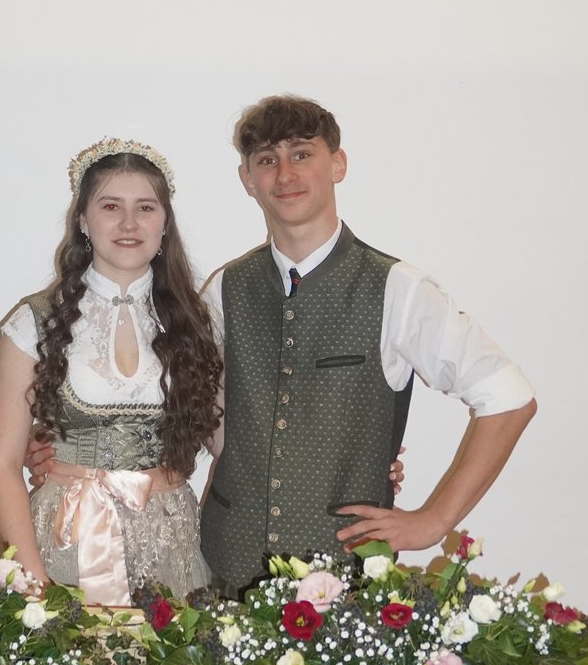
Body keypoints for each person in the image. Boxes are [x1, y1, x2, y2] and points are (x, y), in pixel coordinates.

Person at [200, 95, 537, 594]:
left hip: (346, 581)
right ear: (248, 179)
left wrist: (434, 520)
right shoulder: (225, 289)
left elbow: (508, 397)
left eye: (302, 154)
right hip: (227, 564)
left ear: (337, 164)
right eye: (267, 160)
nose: (285, 174)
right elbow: (197, 407)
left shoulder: (398, 289)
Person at [0, 139, 222, 603]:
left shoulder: (197, 323)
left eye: (145, 207)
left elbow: (229, 444)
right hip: (67, 539)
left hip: (170, 544)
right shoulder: (35, 322)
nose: (129, 223)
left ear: (165, 222)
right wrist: (34, 583)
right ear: (83, 221)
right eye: (111, 206)